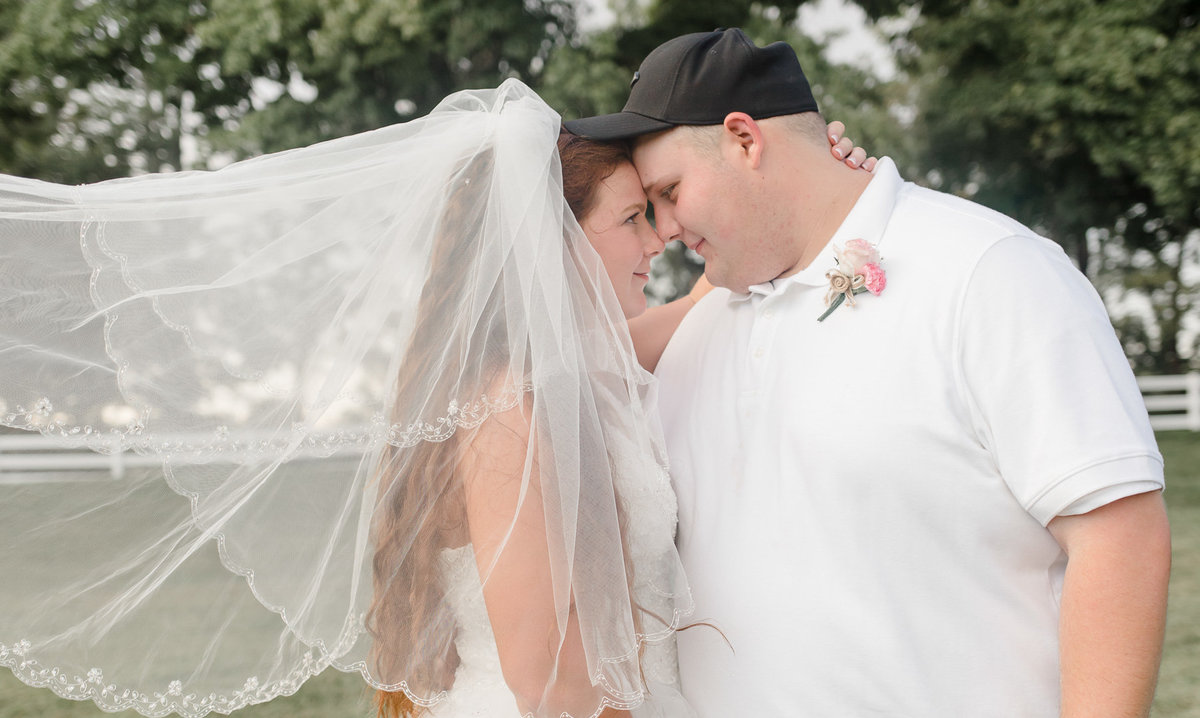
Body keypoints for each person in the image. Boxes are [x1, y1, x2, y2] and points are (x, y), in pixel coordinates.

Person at [0, 78, 864, 718]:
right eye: (635, 218)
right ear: (552, 241)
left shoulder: (570, 378)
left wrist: (820, 194)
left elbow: (698, 303)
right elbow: (550, 682)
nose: (660, 239)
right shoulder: (508, 413)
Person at [565, 28, 1172, 718]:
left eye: (670, 191)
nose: (666, 227)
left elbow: (1117, 533)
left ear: (744, 139)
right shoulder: (697, 326)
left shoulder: (989, 271)